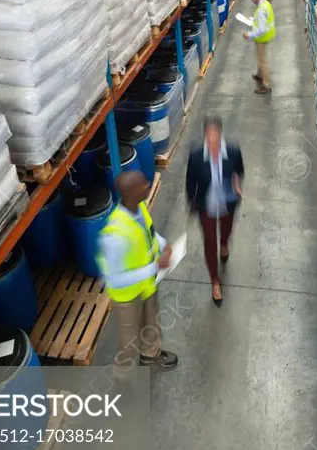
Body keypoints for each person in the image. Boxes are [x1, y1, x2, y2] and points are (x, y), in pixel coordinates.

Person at [97, 170, 178, 369]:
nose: (148, 185)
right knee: (129, 343)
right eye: (143, 184)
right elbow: (114, 280)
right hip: (128, 298)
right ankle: (121, 377)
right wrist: (154, 267)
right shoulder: (115, 235)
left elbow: (149, 233)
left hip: (147, 286)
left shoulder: (139, 208)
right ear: (132, 192)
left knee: (151, 324)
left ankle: (150, 355)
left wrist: (163, 245)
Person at [185, 117, 244, 306]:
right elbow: (190, 182)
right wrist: (192, 202)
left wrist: (236, 185)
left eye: (215, 136)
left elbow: (239, 170)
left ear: (220, 134)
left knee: (225, 230)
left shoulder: (233, 152)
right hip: (207, 205)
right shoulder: (195, 156)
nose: (212, 141)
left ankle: (225, 243)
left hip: (227, 202)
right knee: (210, 242)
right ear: (204, 136)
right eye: (208, 137)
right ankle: (215, 282)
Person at [243, 0, 276, 94]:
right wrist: (253, 19)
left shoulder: (261, 9)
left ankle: (266, 85)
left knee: (263, 61)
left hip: (262, 37)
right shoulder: (265, 3)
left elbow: (261, 29)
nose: (251, 0)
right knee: (260, 58)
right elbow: (263, 21)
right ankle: (260, 74)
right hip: (266, 35)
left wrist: (249, 35)